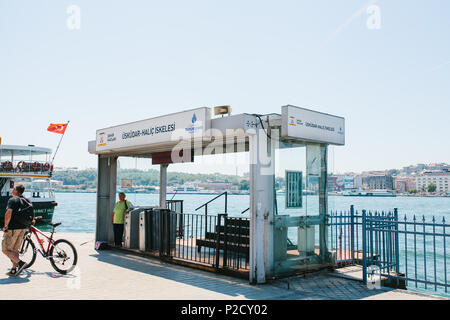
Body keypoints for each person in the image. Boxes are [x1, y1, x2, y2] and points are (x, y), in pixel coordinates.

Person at [2, 184, 30, 276]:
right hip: (23, 228)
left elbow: (8, 212)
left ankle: (21, 263)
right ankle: (14, 270)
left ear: (16, 191)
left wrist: (6, 226)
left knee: (5, 249)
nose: (12, 190)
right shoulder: (27, 200)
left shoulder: (13, 199)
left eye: (13, 189)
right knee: (15, 250)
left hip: (13, 228)